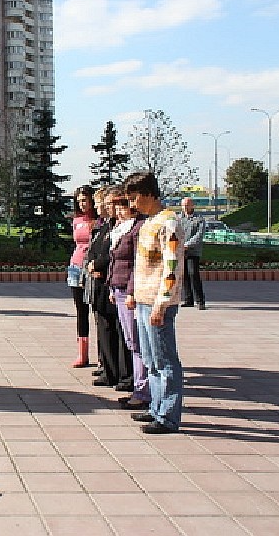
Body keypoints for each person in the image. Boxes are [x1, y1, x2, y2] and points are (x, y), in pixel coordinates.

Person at [123, 171, 185, 434]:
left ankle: (168, 417)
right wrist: (136, 296)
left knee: (165, 360)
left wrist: (162, 303)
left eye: (135, 198)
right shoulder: (149, 222)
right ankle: (156, 407)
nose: (132, 204)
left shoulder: (169, 223)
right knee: (150, 359)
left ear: (149, 194)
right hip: (144, 301)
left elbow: (172, 267)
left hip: (159, 304)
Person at [107, 189, 149, 410]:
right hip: (119, 288)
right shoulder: (121, 228)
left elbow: (136, 263)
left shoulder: (138, 228)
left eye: (122, 206)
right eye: (117, 207)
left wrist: (131, 291)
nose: (118, 211)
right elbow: (115, 260)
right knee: (132, 342)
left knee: (137, 343)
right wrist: (112, 288)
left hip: (130, 291)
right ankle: (139, 388)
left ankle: (142, 391)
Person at [85, 187, 123, 387]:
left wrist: (98, 265)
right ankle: (108, 369)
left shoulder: (120, 227)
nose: (104, 207)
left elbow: (113, 254)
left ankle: (116, 372)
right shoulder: (105, 226)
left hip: (111, 282)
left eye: (107, 204)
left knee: (114, 329)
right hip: (99, 280)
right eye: (104, 204)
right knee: (104, 327)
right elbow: (94, 249)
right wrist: (91, 264)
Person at [68, 185, 96, 368]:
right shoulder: (76, 220)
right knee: (81, 310)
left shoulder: (100, 220)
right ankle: (82, 353)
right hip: (76, 266)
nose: (82, 204)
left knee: (99, 311)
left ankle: (106, 355)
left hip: (93, 267)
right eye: (79, 201)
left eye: (85, 200)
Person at [179, 197, 206, 310]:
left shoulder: (199, 219)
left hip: (193, 251)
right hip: (180, 251)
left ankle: (200, 301)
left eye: (187, 205)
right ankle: (188, 299)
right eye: (183, 205)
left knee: (193, 274)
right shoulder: (178, 218)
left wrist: (187, 245)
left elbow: (199, 236)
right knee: (184, 275)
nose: (185, 207)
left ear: (192, 205)